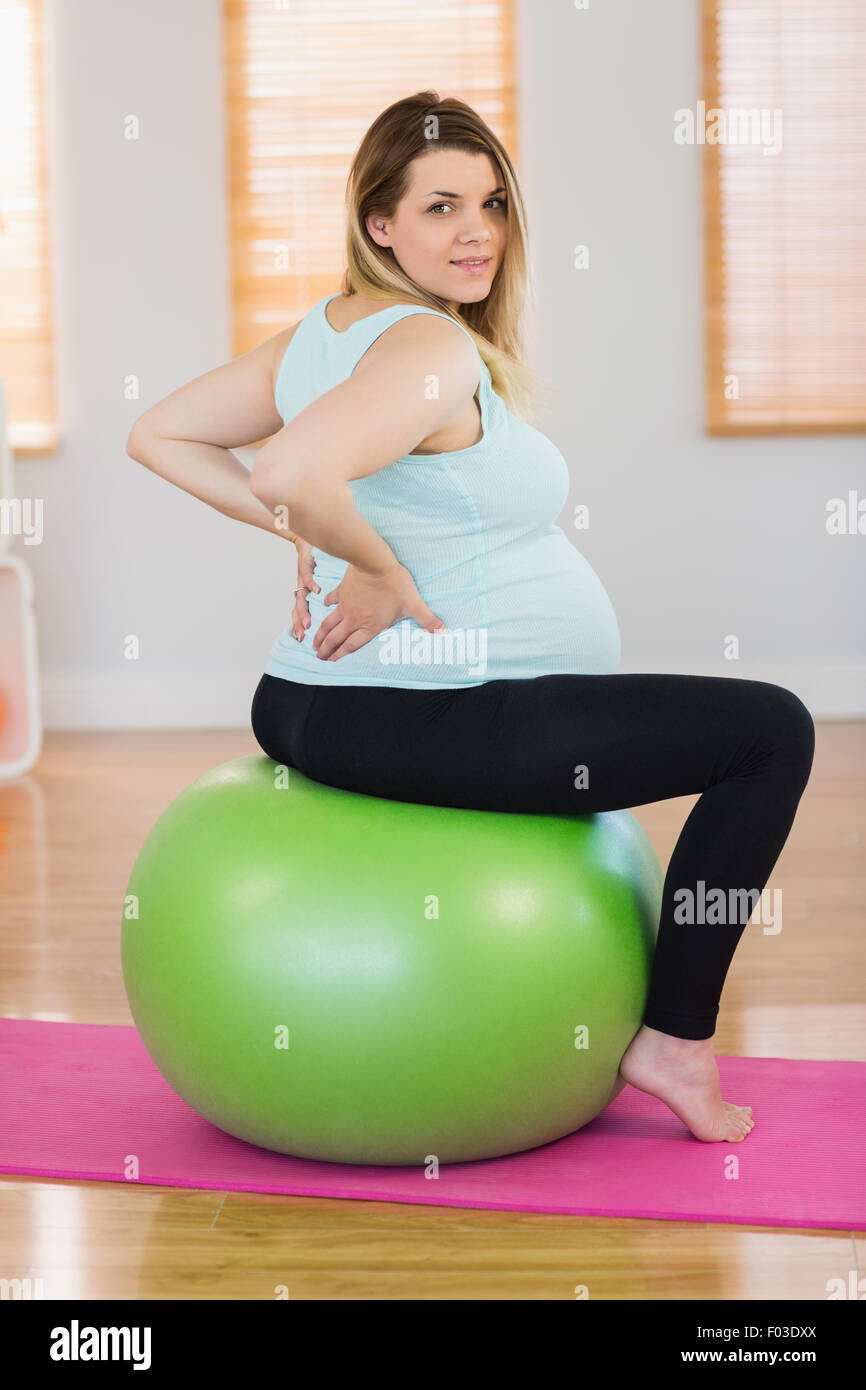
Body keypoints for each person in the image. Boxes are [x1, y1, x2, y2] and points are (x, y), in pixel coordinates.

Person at [127, 92, 815, 1144]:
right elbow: (292, 465)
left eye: (491, 203)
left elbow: (161, 434)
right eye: (440, 205)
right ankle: (672, 1037)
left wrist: (304, 534)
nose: (476, 231)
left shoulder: (322, 334)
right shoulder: (428, 348)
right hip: (423, 712)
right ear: (378, 225)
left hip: (308, 703)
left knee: (746, 726)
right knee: (770, 732)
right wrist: (366, 561)